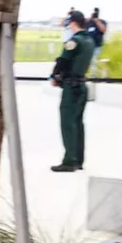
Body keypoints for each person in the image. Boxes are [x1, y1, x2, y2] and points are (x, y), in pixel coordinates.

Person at [50, 10, 96, 172]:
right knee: (78, 123)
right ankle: (78, 159)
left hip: (71, 87)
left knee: (67, 123)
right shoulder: (90, 41)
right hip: (82, 86)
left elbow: (63, 61)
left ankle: (69, 160)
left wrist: (54, 76)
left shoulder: (74, 41)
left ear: (73, 23)